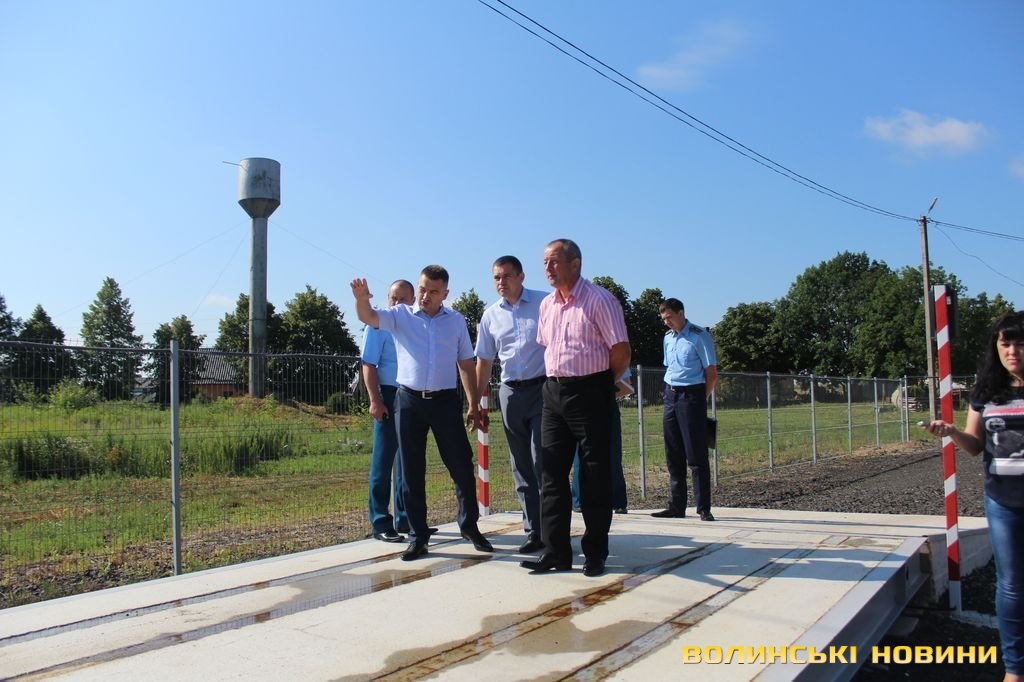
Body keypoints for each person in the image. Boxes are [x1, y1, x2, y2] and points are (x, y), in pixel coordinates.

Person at [350, 266, 493, 561]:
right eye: (423, 289)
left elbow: (466, 364)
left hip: (444, 402)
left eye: (433, 291)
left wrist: (473, 403)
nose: (426, 296)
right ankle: (417, 536)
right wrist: (361, 299)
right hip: (409, 402)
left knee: (461, 465)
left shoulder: (455, 321)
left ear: (445, 294)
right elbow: (369, 317)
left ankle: (469, 525)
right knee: (411, 471)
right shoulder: (400, 316)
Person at [923, 311, 1024, 682]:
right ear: (996, 347)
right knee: (1011, 585)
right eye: (1005, 343)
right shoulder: (985, 393)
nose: (1012, 351)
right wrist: (951, 432)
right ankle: (1015, 669)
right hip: (1004, 502)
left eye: (1020, 344)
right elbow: (975, 446)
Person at [521, 238, 630, 578]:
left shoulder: (600, 300)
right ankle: (555, 551)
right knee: (550, 473)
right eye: (544, 262)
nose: (547, 268)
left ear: (575, 264)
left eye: (554, 261)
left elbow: (621, 350)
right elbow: (548, 346)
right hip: (553, 392)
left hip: (591, 390)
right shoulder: (547, 305)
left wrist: (602, 385)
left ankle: (595, 553)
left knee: (594, 474)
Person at [475, 255, 547, 554]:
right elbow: (484, 360)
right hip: (510, 394)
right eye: (496, 277)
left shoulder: (545, 303)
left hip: (543, 390)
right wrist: (475, 402)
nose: (501, 282)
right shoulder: (491, 315)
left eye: (506, 276)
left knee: (543, 461)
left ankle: (551, 529)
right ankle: (533, 531)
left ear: (521, 277)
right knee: (521, 465)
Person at [652, 297, 719, 522]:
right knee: (673, 452)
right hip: (671, 395)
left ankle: (703, 507)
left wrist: (700, 398)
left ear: (681, 313)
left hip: (692, 395)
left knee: (696, 453)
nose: (667, 322)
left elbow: (711, 375)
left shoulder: (699, 336)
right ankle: (676, 506)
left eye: (670, 317)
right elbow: (670, 367)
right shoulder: (667, 338)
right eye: (664, 319)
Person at [362, 279, 415, 543]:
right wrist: (375, 400)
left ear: (412, 301)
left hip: (410, 395)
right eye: (393, 298)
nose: (397, 303)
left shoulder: (414, 325)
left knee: (407, 462)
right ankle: (381, 521)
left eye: (403, 299)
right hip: (387, 394)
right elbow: (368, 364)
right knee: (383, 462)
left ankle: (406, 519)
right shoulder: (377, 325)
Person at [572, 371, 631, 514]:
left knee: (612, 454)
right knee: (580, 454)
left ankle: (618, 502)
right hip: (580, 405)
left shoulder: (612, 356)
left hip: (606, 404)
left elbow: (627, 385)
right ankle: (579, 501)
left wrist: (602, 392)